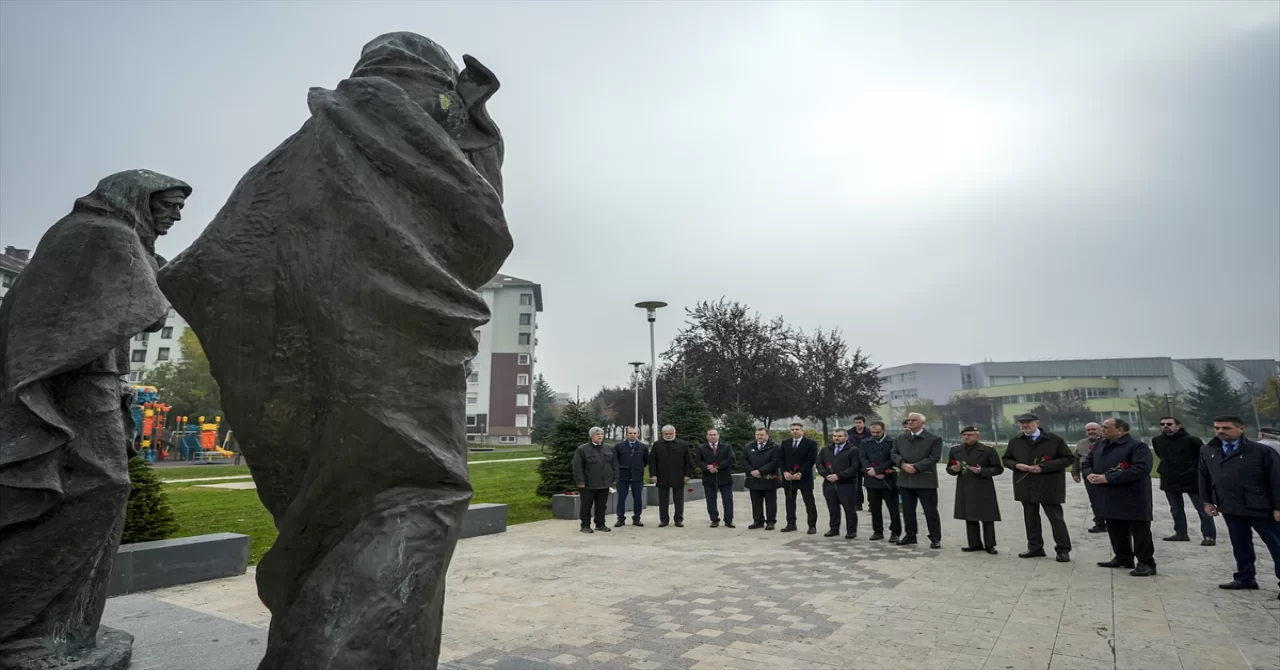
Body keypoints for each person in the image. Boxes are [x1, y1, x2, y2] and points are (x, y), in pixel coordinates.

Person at [0, 170, 190, 667]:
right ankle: (23, 628)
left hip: (90, 379)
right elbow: (144, 309)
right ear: (137, 198)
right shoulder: (102, 233)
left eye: (179, 208)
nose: (174, 215)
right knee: (98, 486)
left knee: (99, 489)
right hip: (76, 384)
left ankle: (64, 624)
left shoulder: (100, 235)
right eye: (167, 204)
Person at [1198, 415, 1280, 597]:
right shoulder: (1208, 450)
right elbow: (1204, 477)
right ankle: (1245, 577)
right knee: (1240, 544)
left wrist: (1278, 507)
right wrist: (1207, 501)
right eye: (1217, 428)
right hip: (1230, 506)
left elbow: (1276, 479)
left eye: (1226, 428)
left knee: (1276, 545)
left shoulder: (1261, 451)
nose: (1220, 432)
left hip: (1260, 506)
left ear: (1241, 428)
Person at [1084, 418, 1156, 576]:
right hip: (1108, 495)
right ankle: (1123, 557)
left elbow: (1141, 469)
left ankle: (1146, 563)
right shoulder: (1100, 445)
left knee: (1140, 531)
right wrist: (1090, 475)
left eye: (1106, 427)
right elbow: (1087, 463)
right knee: (1115, 528)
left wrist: (1109, 478)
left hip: (1133, 496)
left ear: (1120, 430)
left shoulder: (1137, 446)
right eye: (1102, 427)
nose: (1102, 430)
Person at [1003, 413, 1074, 562]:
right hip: (1025, 484)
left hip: (1049, 485)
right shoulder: (1016, 441)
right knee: (1030, 519)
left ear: (1037, 422)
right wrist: (1017, 465)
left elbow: (1068, 458)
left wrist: (1044, 467)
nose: (1024, 425)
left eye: (1028, 422)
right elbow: (1006, 459)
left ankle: (1063, 549)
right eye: (1021, 423)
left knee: (1056, 518)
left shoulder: (1054, 440)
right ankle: (1035, 547)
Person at [1152, 416, 1214, 545]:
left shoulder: (1192, 440)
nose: (1165, 426)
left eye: (1169, 424)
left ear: (1178, 426)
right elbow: (1160, 455)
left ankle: (1209, 535)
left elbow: (1202, 458)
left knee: (1202, 508)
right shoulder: (1157, 440)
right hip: (1169, 478)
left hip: (1191, 478)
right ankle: (1181, 533)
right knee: (1175, 508)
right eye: (1162, 424)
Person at [948, 426, 1004, 554]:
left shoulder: (987, 450)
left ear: (978, 436)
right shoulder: (956, 450)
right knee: (970, 515)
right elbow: (949, 468)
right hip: (965, 486)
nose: (967, 437)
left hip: (983, 486)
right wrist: (953, 470)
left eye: (970, 435)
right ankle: (974, 543)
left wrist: (982, 471)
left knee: (987, 516)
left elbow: (998, 469)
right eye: (964, 435)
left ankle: (990, 544)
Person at [890, 412, 943, 548]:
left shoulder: (934, 439)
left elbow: (934, 457)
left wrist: (917, 467)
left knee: (930, 511)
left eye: (914, 420)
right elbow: (893, 454)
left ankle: (935, 538)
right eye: (909, 420)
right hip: (905, 480)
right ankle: (910, 535)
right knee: (908, 510)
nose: (911, 422)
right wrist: (902, 464)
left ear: (922, 423)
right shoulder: (900, 438)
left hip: (925, 480)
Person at [859, 421, 901, 542]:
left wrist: (878, 470)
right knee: (875, 508)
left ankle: (895, 532)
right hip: (871, 479)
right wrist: (871, 471)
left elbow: (893, 459)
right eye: (873, 432)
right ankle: (877, 531)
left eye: (878, 432)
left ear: (884, 430)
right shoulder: (865, 442)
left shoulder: (892, 442)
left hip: (887, 479)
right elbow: (862, 457)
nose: (875, 434)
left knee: (893, 508)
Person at [573, 427, 618, 534]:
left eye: (601, 434)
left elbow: (615, 465)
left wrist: (615, 479)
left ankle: (600, 524)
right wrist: (581, 482)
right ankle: (585, 525)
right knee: (586, 506)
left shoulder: (609, 449)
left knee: (602, 505)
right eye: (597, 434)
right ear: (591, 436)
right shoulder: (582, 449)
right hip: (589, 484)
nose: (600, 436)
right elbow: (577, 467)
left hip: (604, 483)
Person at [817, 428, 861, 539]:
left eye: (840, 436)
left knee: (849, 508)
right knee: (833, 507)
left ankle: (851, 530)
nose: (837, 438)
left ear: (846, 437)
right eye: (835, 436)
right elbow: (819, 463)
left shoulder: (853, 450)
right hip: (829, 483)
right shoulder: (826, 449)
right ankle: (834, 529)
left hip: (846, 484)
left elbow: (855, 467)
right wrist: (826, 475)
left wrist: (839, 476)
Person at [649, 424, 692, 527]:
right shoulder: (657, 445)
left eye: (670, 434)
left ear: (674, 433)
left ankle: (678, 519)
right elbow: (652, 461)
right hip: (662, 476)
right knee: (663, 500)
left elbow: (688, 461)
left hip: (678, 476)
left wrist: (687, 475)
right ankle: (664, 519)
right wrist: (653, 475)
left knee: (679, 499)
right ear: (663, 434)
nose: (668, 436)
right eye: (666, 434)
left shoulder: (683, 444)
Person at [779, 422, 819, 534]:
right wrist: (785, 472)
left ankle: (812, 525)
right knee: (790, 501)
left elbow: (811, 460)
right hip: (789, 477)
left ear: (802, 430)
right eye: (792, 429)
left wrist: (801, 473)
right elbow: (781, 459)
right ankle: (791, 524)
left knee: (809, 502)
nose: (795, 431)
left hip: (804, 477)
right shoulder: (785, 443)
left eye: (797, 429)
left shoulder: (811, 443)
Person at [696, 428, 737, 528]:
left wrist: (717, 466)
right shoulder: (701, 448)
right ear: (706, 436)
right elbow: (698, 461)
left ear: (718, 435)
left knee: (727, 500)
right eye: (710, 435)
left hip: (724, 477)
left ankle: (729, 520)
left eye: (714, 434)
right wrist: (707, 467)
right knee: (711, 500)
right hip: (709, 477)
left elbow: (731, 459)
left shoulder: (726, 447)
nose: (712, 436)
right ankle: (714, 519)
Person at [1072, 423, 1107, 533]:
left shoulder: (1108, 442)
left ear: (1101, 430)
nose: (1091, 431)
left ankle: (1116, 523)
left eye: (1093, 429)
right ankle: (1099, 523)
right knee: (1095, 500)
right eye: (1088, 430)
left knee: (1110, 499)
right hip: (1088, 475)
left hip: (1106, 475)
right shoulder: (1081, 443)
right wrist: (1075, 473)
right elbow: (1076, 459)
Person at [744, 428, 781, 530]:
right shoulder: (749, 447)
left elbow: (774, 462)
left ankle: (770, 521)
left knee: (771, 502)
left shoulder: (775, 447)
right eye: (757, 435)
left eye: (762, 435)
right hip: (753, 479)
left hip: (769, 479)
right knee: (755, 501)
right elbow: (744, 460)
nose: (759, 437)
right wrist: (752, 471)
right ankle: (758, 520)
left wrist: (760, 471)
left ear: (767, 435)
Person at [614, 427, 648, 527]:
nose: (632, 435)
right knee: (621, 499)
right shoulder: (619, 446)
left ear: (638, 434)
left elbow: (645, 461)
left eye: (634, 433)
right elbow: (615, 461)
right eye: (630, 433)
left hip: (637, 477)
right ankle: (620, 519)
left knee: (638, 499)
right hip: (623, 477)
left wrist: (638, 468)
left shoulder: (643, 447)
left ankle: (637, 519)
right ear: (626, 434)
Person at [847, 417, 873, 510]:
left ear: (864, 423)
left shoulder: (870, 433)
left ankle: (872, 504)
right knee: (856, 484)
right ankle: (857, 503)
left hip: (867, 460)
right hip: (855, 461)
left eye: (860, 422)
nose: (858, 424)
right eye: (856, 422)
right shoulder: (849, 433)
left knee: (869, 484)